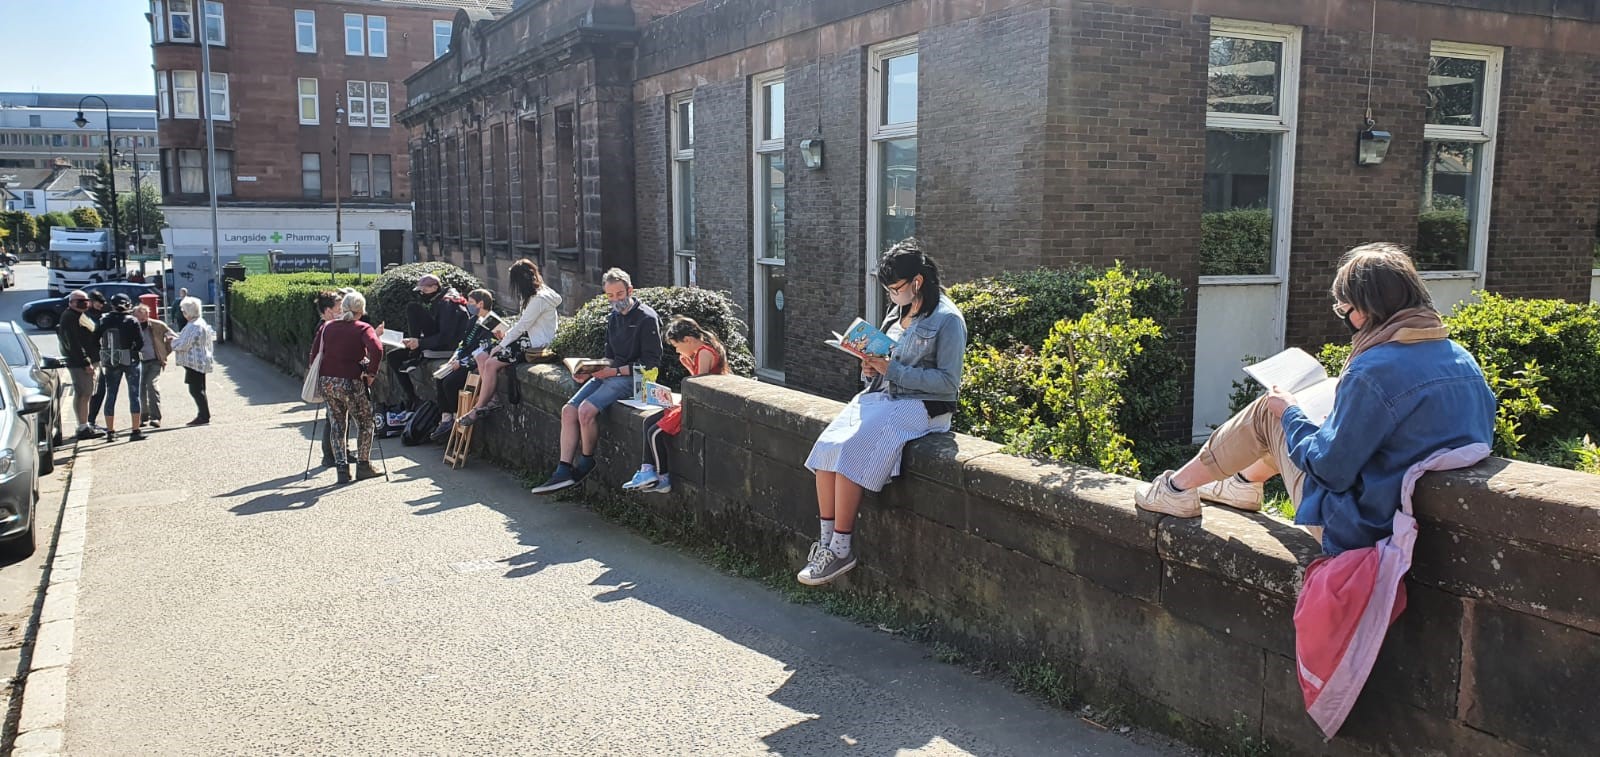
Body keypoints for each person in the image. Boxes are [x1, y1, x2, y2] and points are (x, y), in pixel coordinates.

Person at [1135, 243, 1497, 555]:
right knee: (1303, 421)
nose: (1346, 319)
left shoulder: (1373, 370)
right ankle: (1243, 484)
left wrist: (1290, 412)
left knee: (1271, 412)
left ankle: (1175, 488)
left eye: (1344, 309)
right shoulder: (1462, 359)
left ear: (1366, 310)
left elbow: (1330, 468)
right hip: (1421, 525)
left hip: (1362, 528)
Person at [798, 239, 967, 586]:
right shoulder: (898, 311)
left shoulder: (948, 320)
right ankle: (826, 542)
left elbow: (949, 383)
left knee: (851, 450)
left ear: (917, 282)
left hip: (923, 405)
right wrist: (869, 367)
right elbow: (884, 360)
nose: (891, 295)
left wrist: (891, 371)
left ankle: (842, 547)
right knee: (827, 446)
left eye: (895, 288)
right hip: (881, 396)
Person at [531, 268, 661, 494]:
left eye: (619, 294)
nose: (615, 301)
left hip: (634, 379)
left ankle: (587, 461)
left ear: (630, 290)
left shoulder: (647, 318)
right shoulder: (613, 317)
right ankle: (562, 470)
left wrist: (612, 372)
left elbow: (651, 365)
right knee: (568, 411)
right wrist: (589, 371)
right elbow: (609, 357)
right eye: (610, 296)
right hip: (612, 373)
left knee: (585, 410)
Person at [621, 316, 730, 494]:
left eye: (677, 346)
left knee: (655, 432)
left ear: (687, 340)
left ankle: (662, 477)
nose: (677, 350)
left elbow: (699, 383)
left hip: (696, 405)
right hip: (690, 401)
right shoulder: (699, 352)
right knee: (648, 422)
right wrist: (688, 364)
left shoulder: (704, 352)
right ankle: (646, 470)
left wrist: (689, 370)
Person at [458, 259, 561, 427]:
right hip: (527, 337)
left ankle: (478, 408)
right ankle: (492, 398)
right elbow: (523, 325)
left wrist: (501, 344)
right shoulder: (532, 296)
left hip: (535, 342)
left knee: (491, 363)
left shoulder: (539, 299)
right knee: (481, 355)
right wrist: (504, 336)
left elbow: (522, 326)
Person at [311, 291, 384, 484]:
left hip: (328, 381)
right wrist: (371, 374)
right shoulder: (362, 327)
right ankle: (363, 465)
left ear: (343, 308)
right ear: (361, 310)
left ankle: (342, 469)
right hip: (352, 380)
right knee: (365, 423)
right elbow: (377, 349)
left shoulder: (327, 327)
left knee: (337, 424)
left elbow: (314, 354)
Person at [429, 289, 505, 440]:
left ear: (481, 303)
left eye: (471, 302)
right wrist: (455, 356)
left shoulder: (492, 322)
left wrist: (462, 363)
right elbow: (464, 343)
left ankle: (457, 416)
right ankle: (446, 418)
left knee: (450, 383)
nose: (468, 305)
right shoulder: (473, 320)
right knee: (440, 378)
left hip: (473, 364)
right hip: (462, 360)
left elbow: (485, 349)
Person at [389, 274, 471, 406]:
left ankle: (415, 354)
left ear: (434, 287)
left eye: (424, 291)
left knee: (412, 309)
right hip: (438, 342)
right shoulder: (441, 299)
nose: (422, 294)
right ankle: (412, 399)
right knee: (393, 356)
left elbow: (446, 336)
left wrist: (420, 343)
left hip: (448, 348)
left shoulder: (448, 303)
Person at [96, 294, 146, 442]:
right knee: (134, 394)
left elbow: (94, 339)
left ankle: (110, 432)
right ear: (129, 304)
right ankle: (135, 430)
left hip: (111, 357)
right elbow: (140, 342)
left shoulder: (104, 320)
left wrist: (103, 352)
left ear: (111, 305)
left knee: (111, 394)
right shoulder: (132, 320)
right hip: (129, 357)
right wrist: (132, 350)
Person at [55, 290, 104, 440]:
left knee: (84, 393)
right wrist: (85, 362)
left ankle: (83, 425)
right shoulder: (70, 317)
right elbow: (74, 343)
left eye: (85, 300)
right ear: (71, 302)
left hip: (88, 359)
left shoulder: (80, 315)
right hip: (81, 363)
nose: (83, 303)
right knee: (84, 393)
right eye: (79, 301)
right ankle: (83, 427)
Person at [312, 290, 350, 467]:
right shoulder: (325, 327)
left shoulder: (330, 326)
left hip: (331, 376)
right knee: (334, 417)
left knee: (336, 416)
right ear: (328, 310)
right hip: (331, 377)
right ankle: (331, 455)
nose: (342, 310)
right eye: (339, 307)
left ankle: (338, 452)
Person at [170, 296, 215, 427]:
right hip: (199, 360)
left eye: (184, 311)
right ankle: (203, 415)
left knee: (195, 390)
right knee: (199, 388)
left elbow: (184, 344)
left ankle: (203, 415)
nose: (183, 314)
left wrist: (171, 341)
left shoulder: (194, 326)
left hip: (195, 361)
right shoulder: (200, 323)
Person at [134, 305, 175, 428]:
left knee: (152, 385)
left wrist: (166, 348)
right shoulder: (131, 326)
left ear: (147, 315)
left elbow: (172, 335)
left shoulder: (157, 325)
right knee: (140, 389)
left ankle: (156, 417)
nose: (141, 321)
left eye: (143, 318)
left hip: (155, 361)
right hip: (138, 361)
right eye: (138, 319)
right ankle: (143, 415)